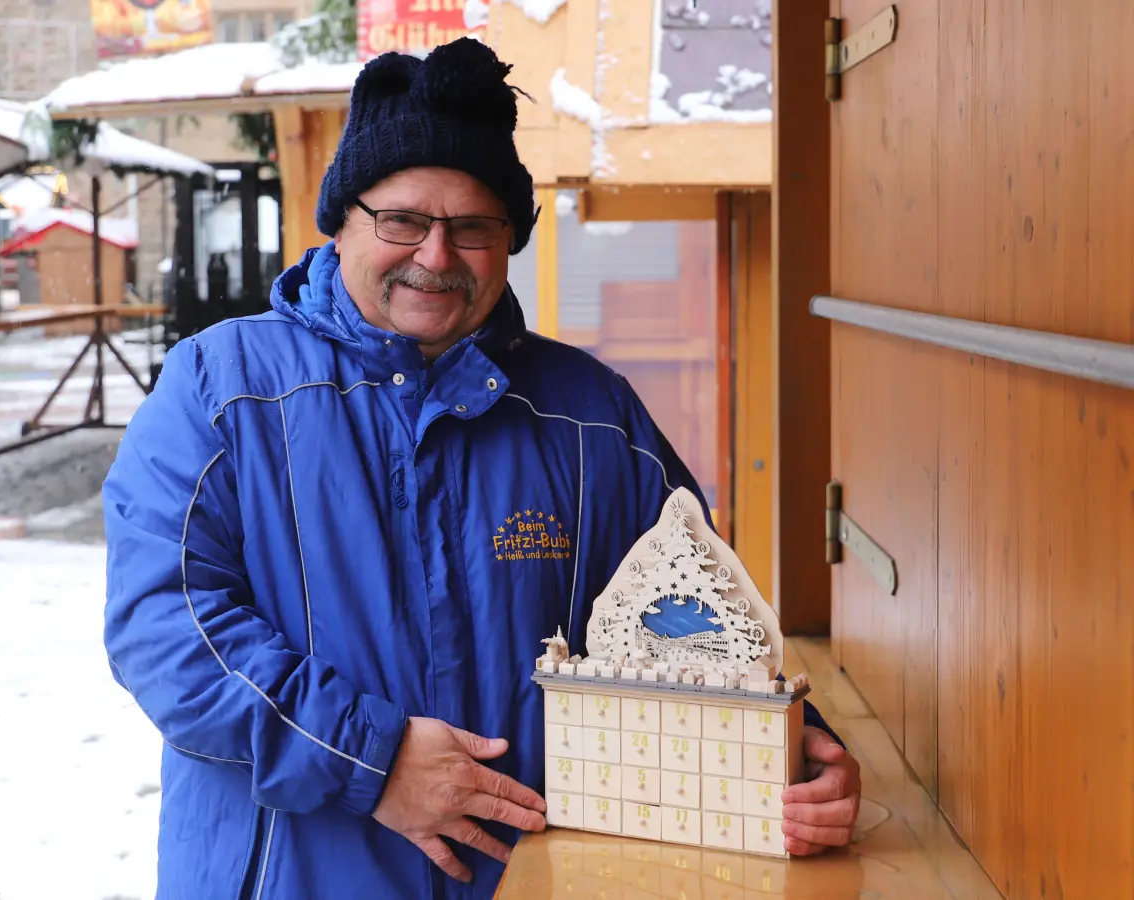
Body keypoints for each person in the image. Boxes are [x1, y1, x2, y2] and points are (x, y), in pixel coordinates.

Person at [101, 37, 861, 900]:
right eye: (403, 221)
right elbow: (167, 631)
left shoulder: (588, 414)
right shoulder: (222, 387)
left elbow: (695, 615)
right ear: (343, 219)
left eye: (472, 228)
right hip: (292, 875)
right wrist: (372, 759)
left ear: (509, 241)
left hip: (536, 877)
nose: (435, 256)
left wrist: (795, 752)